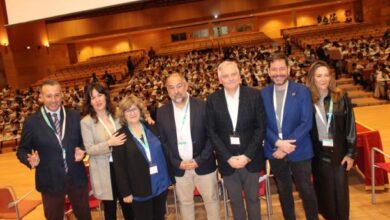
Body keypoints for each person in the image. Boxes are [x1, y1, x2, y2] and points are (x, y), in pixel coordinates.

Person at [16, 80, 91, 220]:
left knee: (85, 216)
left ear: (62, 95)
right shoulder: (31, 122)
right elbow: (22, 150)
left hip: (75, 176)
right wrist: (29, 159)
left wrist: (82, 149)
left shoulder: (74, 116)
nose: (53, 100)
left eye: (56, 95)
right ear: (41, 97)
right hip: (49, 179)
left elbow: (84, 141)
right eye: (49, 96)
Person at [261, 52, 318, 220]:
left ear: (288, 69)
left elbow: (306, 122)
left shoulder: (302, 91)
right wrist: (278, 142)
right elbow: (261, 124)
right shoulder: (262, 94)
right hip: (274, 149)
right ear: (269, 71)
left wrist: (285, 147)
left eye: (281, 68)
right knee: (284, 191)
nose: (278, 73)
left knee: (306, 189)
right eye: (274, 69)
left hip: (299, 150)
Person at [206, 60, 266, 220]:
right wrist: (228, 157)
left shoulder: (254, 95)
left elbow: (260, 128)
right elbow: (212, 132)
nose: (230, 78)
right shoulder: (212, 100)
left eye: (234, 74)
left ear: (240, 76)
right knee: (235, 202)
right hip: (228, 161)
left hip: (251, 159)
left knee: (253, 200)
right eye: (226, 76)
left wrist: (247, 155)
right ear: (220, 80)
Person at [157, 73, 220, 220]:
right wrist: (177, 162)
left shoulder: (203, 106)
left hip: (203, 164)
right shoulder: (161, 112)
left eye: (179, 86)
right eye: (171, 88)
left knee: (211, 201)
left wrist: (200, 159)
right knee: (185, 203)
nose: (176, 91)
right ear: (167, 90)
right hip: (179, 168)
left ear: (186, 86)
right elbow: (163, 142)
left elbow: (212, 136)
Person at [307, 61, 357, 220]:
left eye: (326, 75)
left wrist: (350, 153)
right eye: (319, 76)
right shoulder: (307, 100)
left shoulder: (341, 97)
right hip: (318, 155)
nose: (323, 79)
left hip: (339, 153)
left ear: (331, 77)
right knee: (325, 194)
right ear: (312, 78)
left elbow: (350, 126)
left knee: (341, 195)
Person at [112, 95, 174, 220]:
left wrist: (170, 176)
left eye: (135, 109)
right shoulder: (119, 136)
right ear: (123, 114)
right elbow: (119, 167)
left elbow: (165, 151)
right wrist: (126, 192)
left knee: (159, 217)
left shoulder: (152, 127)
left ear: (140, 110)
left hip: (160, 183)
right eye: (128, 110)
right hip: (139, 188)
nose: (132, 113)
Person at [80, 83, 134, 220]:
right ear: (89, 102)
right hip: (104, 170)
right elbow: (89, 149)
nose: (97, 100)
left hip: (122, 166)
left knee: (128, 205)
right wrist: (109, 143)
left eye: (99, 95)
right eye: (93, 98)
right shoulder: (86, 122)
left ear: (106, 96)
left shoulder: (117, 114)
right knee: (110, 209)